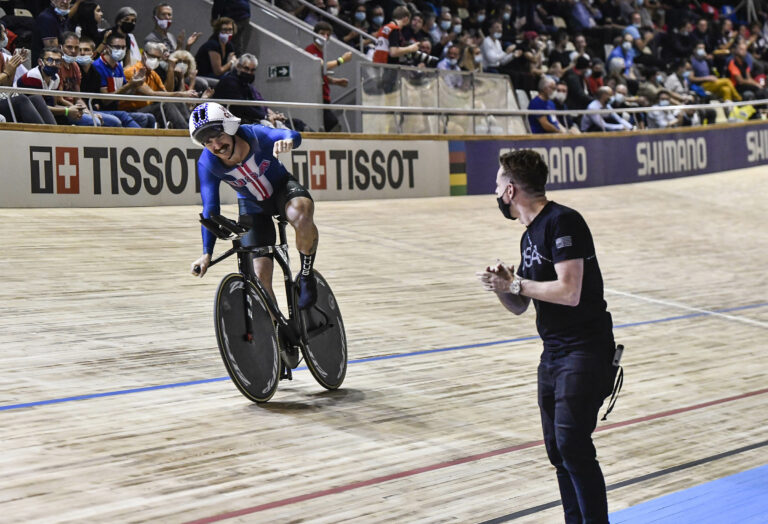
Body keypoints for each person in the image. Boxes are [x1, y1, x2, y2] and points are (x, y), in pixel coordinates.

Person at [477, 149, 619, 524]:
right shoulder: (529, 237)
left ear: (510, 191)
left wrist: (517, 283)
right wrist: (501, 287)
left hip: (585, 351)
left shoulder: (564, 222)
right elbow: (521, 305)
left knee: (573, 445)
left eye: (497, 184)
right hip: (554, 354)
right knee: (558, 451)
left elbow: (569, 292)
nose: (494, 192)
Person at [189, 102, 319, 310]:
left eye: (219, 137)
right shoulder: (207, 163)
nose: (216, 146)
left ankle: (306, 275)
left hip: (282, 189)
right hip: (252, 207)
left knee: (301, 214)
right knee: (260, 276)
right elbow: (210, 210)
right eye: (208, 142)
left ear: (230, 129)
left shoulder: (255, 135)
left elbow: (295, 136)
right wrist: (207, 253)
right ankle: (277, 330)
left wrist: (287, 141)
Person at [120, 42, 198, 128]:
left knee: (176, 102)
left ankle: (192, 128)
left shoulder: (153, 74)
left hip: (147, 108)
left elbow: (167, 93)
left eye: (157, 58)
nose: (154, 60)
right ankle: (185, 132)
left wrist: (171, 70)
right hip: (132, 110)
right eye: (152, 56)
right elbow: (151, 93)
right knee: (165, 106)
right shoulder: (133, 71)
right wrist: (181, 93)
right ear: (143, 54)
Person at [305, 21, 352, 131]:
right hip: (317, 97)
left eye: (328, 34)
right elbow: (321, 66)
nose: (325, 37)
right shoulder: (311, 50)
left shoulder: (322, 52)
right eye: (322, 33)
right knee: (333, 124)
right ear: (315, 34)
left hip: (325, 96)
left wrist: (335, 81)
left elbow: (320, 74)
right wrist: (342, 60)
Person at [195, 17, 238, 81]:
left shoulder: (229, 45)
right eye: (224, 30)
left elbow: (234, 63)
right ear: (218, 31)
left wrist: (233, 62)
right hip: (202, 77)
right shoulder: (213, 45)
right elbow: (218, 71)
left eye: (230, 30)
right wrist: (231, 62)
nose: (228, 33)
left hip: (217, 76)